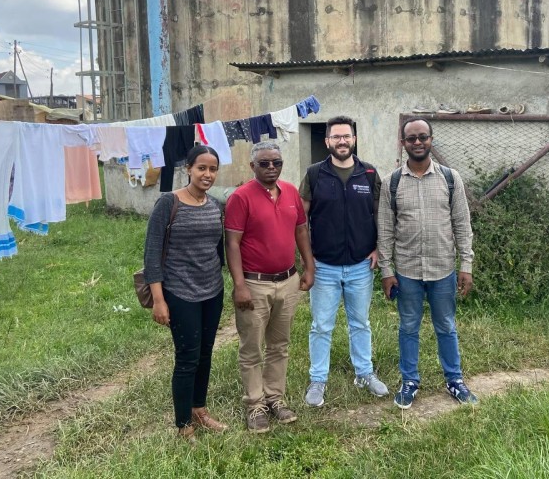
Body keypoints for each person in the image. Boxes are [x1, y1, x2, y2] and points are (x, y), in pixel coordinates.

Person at [377, 117, 478, 409]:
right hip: (406, 271)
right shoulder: (391, 183)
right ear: (403, 143)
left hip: (443, 270)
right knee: (408, 326)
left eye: (423, 137)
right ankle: (410, 381)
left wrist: (466, 266)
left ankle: (454, 380)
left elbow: (462, 224)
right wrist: (386, 271)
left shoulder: (450, 178)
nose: (417, 142)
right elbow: (385, 231)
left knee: (446, 325)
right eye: (411, 138)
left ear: (431, 140)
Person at [224, 141, 315, 433]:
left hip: (287, 281)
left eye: (276, 162)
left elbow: (301, 230)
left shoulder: (290, 192)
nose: (271, 167)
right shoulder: (240, 197)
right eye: (264, 163)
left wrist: (308, 266)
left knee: (280, 345)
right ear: (253, 166)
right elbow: (232, 243)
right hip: (254, 283)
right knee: (252, 348)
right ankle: (255, 404)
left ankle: (275, 398)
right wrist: (239, 284)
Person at [299, 116, 389, 407]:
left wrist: (377, 248)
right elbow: (300, 221)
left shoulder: (369, 173)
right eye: (336, 137)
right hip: (323, 265)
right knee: (321, 325)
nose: (341, 141)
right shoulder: (314, 174)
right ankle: (318, 380)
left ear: (354, 139)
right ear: (327, 142)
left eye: (346, 136)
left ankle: (364, 373)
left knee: (360, 323)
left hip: (361, 265)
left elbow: (380, 215)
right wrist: (307, 259)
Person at [144, 145, 227, 442]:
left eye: (213, 169)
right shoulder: (168, 203)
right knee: (187, 357)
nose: (207, 174)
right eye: (201, 168)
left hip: (212, 291)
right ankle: (183, 425)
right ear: (188, 169)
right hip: (180, 292)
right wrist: (159, 299)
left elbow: (219, 251)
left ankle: (199, 410)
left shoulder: (216, 205)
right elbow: (152, 254)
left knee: (205, 354)